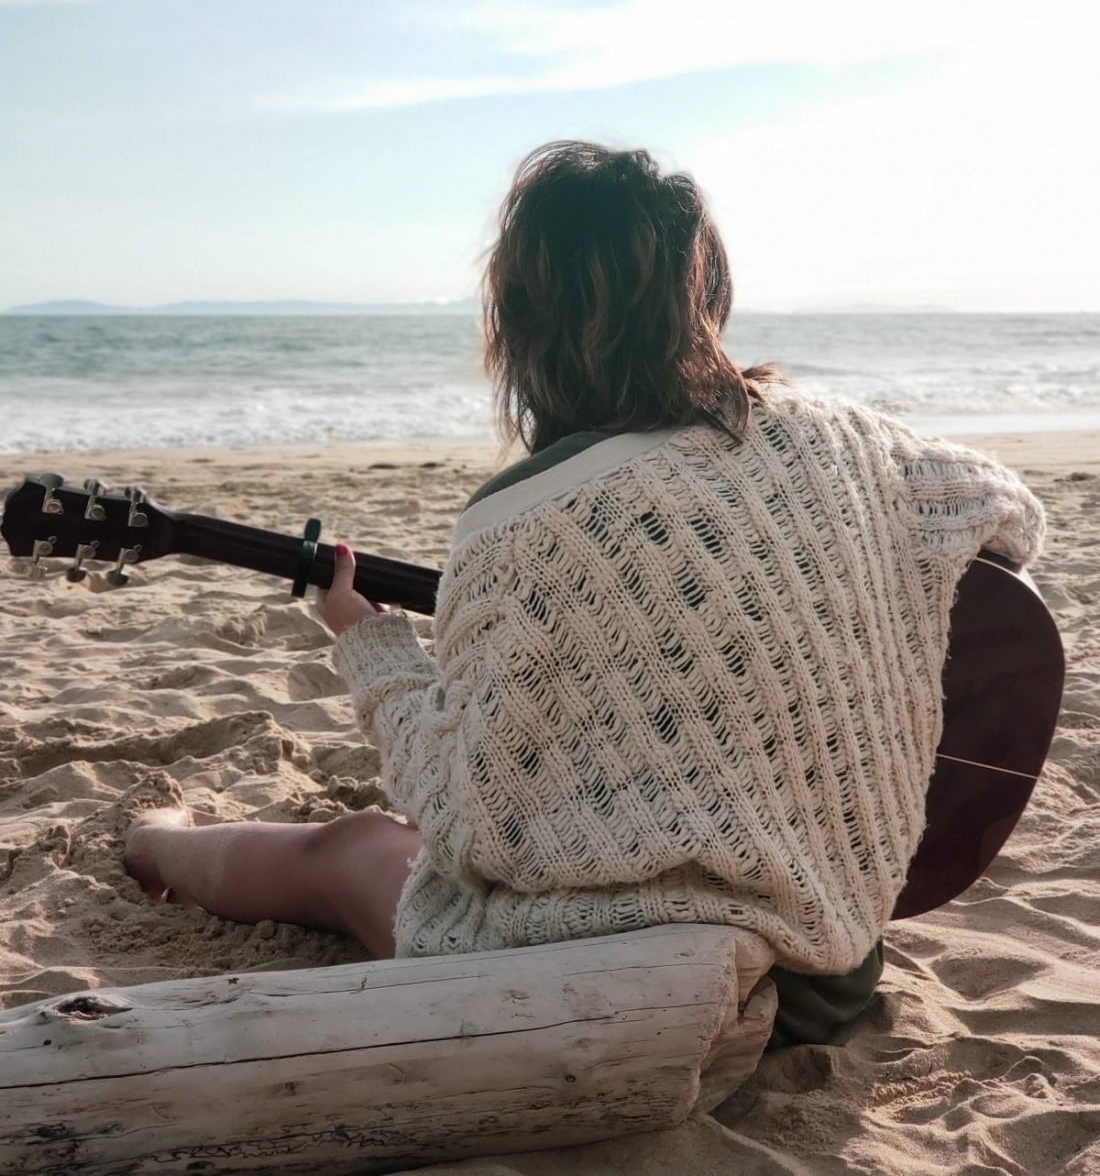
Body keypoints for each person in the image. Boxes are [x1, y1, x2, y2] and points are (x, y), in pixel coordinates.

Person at [124, 139, 1045, 1047]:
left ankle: (154, 840)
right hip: (828, 974)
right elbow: (1014, 525)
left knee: (356, 845)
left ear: (519, 316)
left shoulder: (521, 520)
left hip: (610, 994)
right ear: (707, 291)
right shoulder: (855, 441)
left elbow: (466, 815)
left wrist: (368, 642)